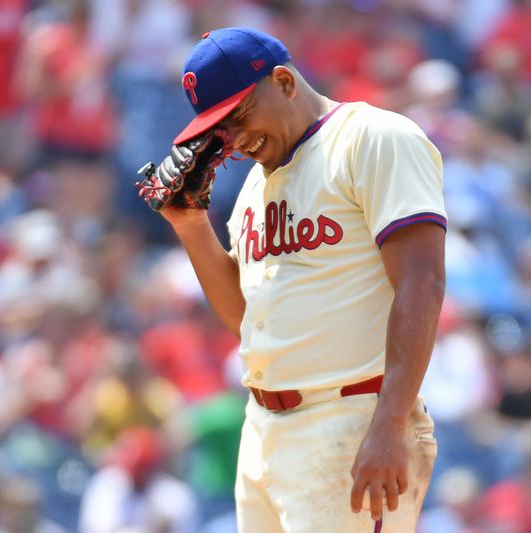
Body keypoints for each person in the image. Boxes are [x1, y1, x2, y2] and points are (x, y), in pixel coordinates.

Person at [138, 27, 447, 532]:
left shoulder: (371, 137)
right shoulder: (256, 187)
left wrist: (390, 422)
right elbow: (246, 318)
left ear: (283, 81)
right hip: (263, 428)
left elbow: (423, 281)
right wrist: (190, 224)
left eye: (238, 115)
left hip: (351, 417)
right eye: (218, 129)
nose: (234, 139)